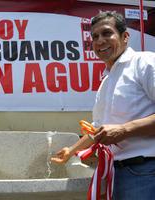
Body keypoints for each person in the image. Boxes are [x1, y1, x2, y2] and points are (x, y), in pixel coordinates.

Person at [51, 11, 155, 200]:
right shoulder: (106, 80)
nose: (100, 41)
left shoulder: (145, 62)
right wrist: (71, 151)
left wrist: (125, 129)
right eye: (95, 37)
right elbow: (97, 130)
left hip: (146, 170)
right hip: (115, 173)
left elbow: (118, 130)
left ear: (125, 37)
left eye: (107, 33)